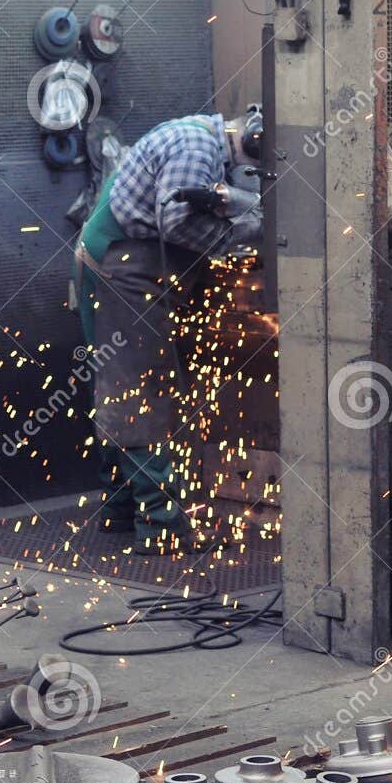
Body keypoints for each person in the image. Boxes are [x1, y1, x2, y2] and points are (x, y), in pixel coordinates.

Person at [72, 111, 262, 553]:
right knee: (139, 391)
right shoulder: (197, 148)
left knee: (115, 385)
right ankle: (163, 526)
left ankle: (121, 504)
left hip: (119, 265)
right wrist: (252, 228)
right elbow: (177, 223)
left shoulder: (200, 138)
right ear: (250, 144)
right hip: (122, 271)